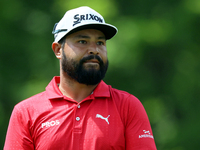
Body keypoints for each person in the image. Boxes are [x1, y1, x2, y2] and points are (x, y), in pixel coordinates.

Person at [4, 6, 157, 150]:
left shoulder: (128, 106)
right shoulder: (26, 112)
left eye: (100, 42)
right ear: (58, 50)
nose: (94, 50)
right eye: (82, 41)